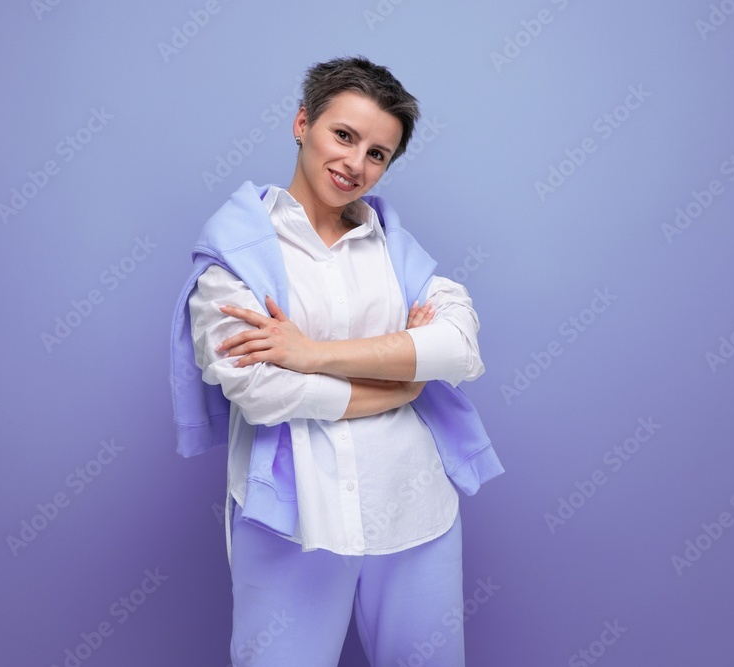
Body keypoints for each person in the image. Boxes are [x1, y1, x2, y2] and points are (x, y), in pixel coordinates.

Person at [169, 55, 503, 667]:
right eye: (343, 135)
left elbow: (458, 348)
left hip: (413, 509)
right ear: (303, 123)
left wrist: (310, 353)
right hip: (293, 518)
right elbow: (257, 388)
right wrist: (399, 382)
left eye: (377, 153)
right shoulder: (237, 250)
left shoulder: (396, 250)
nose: (355, 164)